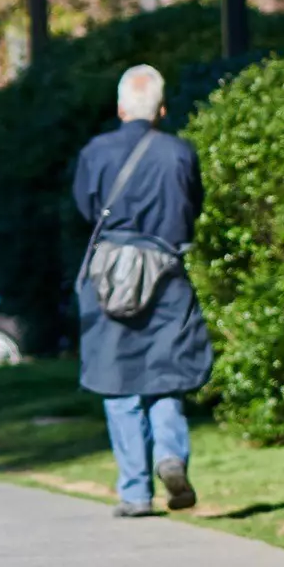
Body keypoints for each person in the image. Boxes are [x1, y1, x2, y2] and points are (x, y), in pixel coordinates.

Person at [73, 65, 213, 517]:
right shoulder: (178, 152)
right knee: (165, 372)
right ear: (162, 109)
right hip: (165, 270)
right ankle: (170, 456)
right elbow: (193, 207)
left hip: (109, 273)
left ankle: (134, 492)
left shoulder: (96, 152)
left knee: (118, 383)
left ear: (119, 107)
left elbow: (85, 207)